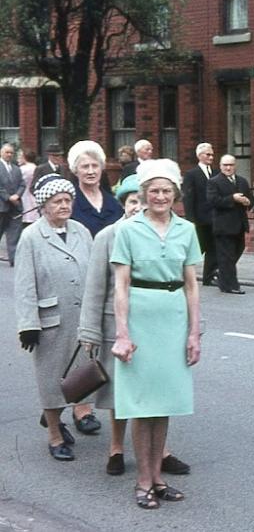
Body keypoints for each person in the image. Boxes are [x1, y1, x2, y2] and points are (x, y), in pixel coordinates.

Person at [78, 174, 190, 477]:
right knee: (121, 393)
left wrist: (194, 328)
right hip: (116, 325)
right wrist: (89, 331)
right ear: (124, 203)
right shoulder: (108, 236)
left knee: (155, 391)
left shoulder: (164, 233)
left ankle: (161, 452)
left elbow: (181, 282)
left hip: (155, 324)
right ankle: (116, 447)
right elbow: (95, 288)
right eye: (133, 201)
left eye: (140, 202)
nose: (138, 207)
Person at [110, 159, 202, 510]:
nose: (160, 196)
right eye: (153, 191)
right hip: (140, 318)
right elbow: (121, 285)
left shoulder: (187, 230)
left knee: (164, 402)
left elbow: (192, 286)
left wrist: (194, 333)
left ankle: (159, 478)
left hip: (173, 316)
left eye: (166, 191)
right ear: (143, 194)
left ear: (175, 194)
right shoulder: (128, 230)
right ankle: (143, 480)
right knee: (141, 402)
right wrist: (122, 333)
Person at [14, 174, 94, 461]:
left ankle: (66, 416)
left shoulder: (81, 231)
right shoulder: (32, 236)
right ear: (44, 205)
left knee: (81, 376)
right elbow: (24, 284)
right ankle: (54, 434)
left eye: (68, 200)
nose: (64, 205)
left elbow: (95, 276)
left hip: (82, 319)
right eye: (57, 201)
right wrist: (28, 325)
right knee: (51, 381)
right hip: (51, 322)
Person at [207, 154, 254, 295]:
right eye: (225, 165)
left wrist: (248, 202)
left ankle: (222, 276)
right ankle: (231, 285)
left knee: (236, 252)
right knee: (226, 256)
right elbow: (213, 201)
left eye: (231, 165)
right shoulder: (214, 182)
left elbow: (251, 200)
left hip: (239, 225)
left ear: (235, 166)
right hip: (223, 226)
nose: (228, 168)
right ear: (220, 166)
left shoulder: (242, 181)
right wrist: (232, 198)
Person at [69, 140, 124, 238]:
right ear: (75, 170)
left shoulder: (114, 202)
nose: (91, 171)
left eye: (95, 166)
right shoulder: (70, 202)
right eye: (85, 167)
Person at [181, 142, 219, 287]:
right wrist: (191, 219)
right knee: (197, 248)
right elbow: (188, 198)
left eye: (212, 154)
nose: (211, 157)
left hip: (214, 218)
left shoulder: (216, 173)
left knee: (213, 249)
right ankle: (181, 273)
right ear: (199, 156)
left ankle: (209, 277)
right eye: (208, 154)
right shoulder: (192, 174)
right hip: (199, 218)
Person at [1, 142, 25, 265]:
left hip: (15, 206)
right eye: (7, 152)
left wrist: (17, 195)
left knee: (15, 233)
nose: (9, 155)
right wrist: (8, 197)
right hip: (2, 206)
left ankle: (14, 259)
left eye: (11, 153)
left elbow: (22, 184)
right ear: (1, 153)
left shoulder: (16, 169)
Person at [17, 148, 39, 226]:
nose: (18, 159)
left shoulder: (23, 169)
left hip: (24, 196)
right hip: (34, 197)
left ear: (24, 157)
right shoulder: (36, 167)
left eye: (20, 156)